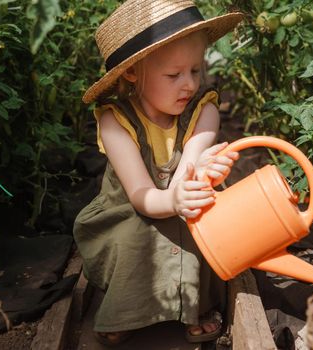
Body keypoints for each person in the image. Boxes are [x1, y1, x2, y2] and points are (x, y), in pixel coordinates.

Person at [74, 0, 244, 346]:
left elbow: (189, 171)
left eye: (195, 71)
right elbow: (140, 195)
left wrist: (206, 173)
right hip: (131, 212)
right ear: (133, 73)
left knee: (204, 227)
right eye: (173, 75)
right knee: (136, 238)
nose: (189, 85)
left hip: (184, 204)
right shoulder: (115, 121)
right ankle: (125, 307)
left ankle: (198, 305)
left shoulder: (203, 111)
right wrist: (173, 199)